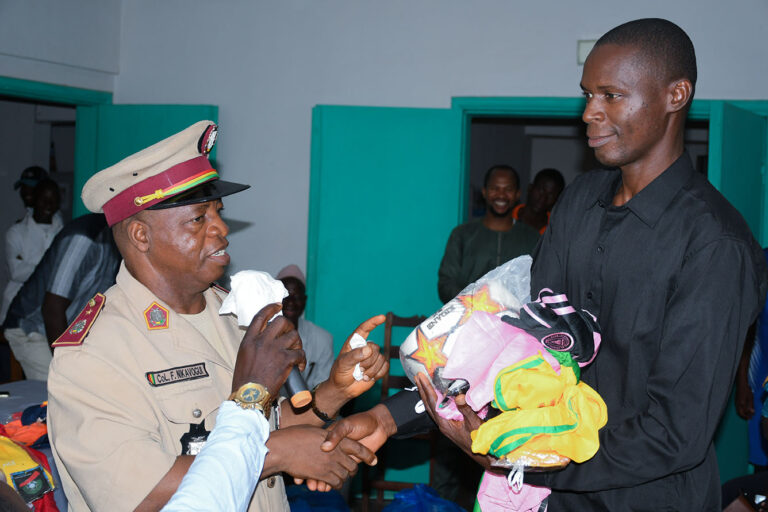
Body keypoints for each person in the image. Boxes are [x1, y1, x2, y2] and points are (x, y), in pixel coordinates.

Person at [322, 18, 768, 511]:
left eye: (611, 95)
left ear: (675, 95)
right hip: (542, 500)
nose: (589, 113)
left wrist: (517, 454)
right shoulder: (580, 203)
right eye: (587, 95)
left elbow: (675, 432)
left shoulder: (714, 244)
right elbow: (513, 348)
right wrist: (389, 417)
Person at [46, 121, 387, 512]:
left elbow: (267, 424)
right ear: (141, 236)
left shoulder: (235, 312)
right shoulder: (95, 352)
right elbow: (138, 497)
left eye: (218, 214)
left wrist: (334, 391)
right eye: (198, 219)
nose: (222, 230)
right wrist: (274, 454)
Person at [2, 212, 119, 380]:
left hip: (69, 333)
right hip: (33, 329)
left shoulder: (118, 240)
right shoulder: (83, 238)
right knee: (62, 395)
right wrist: (68, 369)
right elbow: (52, 310)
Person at [437, 165, 540, 304]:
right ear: (484, 192)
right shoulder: (462, 235)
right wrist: (473, 303)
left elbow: (540, 283)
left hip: (516, 322)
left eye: (508, 189)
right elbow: (446, 283)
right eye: (494, 188)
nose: (501, 195)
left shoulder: (532, 238)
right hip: (467, 320)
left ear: (517, 194)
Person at [2, 177, 64, 321]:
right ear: (34, 200)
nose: (48, 204)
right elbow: (16, 272)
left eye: (53, 199)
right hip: (17, 306)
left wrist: (33, 266)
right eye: (44, 199)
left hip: (47, 309)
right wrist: (51, 268)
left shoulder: (62, 231)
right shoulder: (16, 232)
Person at [276, 264, 334, 391]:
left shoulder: (322, 339)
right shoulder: (260, 334)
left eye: (296, 297)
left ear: (304, 300)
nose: (290, 302)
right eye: (285, 296)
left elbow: (323, 387)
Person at [511, 168, 565, 234]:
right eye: (540, 190)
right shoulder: (507, 216)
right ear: (530, 188)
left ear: (557, 200)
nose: (543, 199)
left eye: (551, 195)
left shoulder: (555, 229)